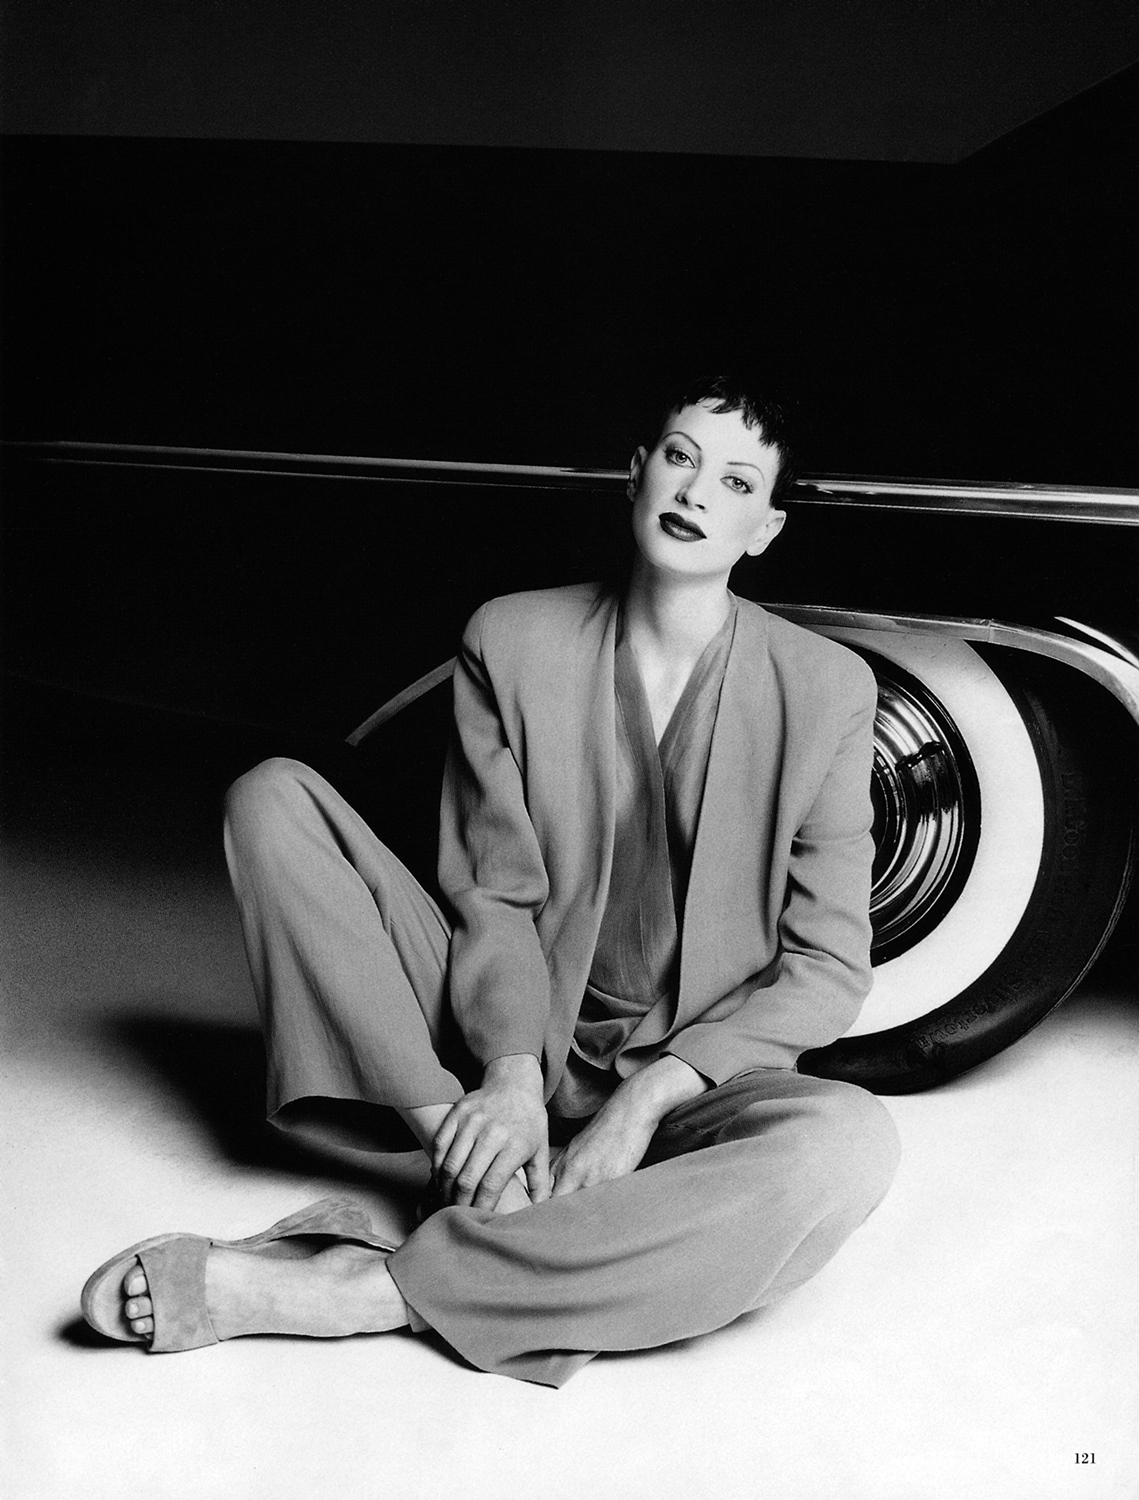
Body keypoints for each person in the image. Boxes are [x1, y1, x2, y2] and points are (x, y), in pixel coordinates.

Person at [81, 375, 900, 1387]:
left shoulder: (825, 687)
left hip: (689, 1084)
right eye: (679, 457)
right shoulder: (510, 637)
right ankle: (477, 1167)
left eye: (734, 481)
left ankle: (368, 1289)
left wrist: (642, 1105)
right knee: (271, 798)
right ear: (636, 471)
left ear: (764, 528)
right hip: (496, 1038)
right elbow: (490, 893)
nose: (695, 491)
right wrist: (508, 1083)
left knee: (847, 1144)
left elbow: (826, 966)